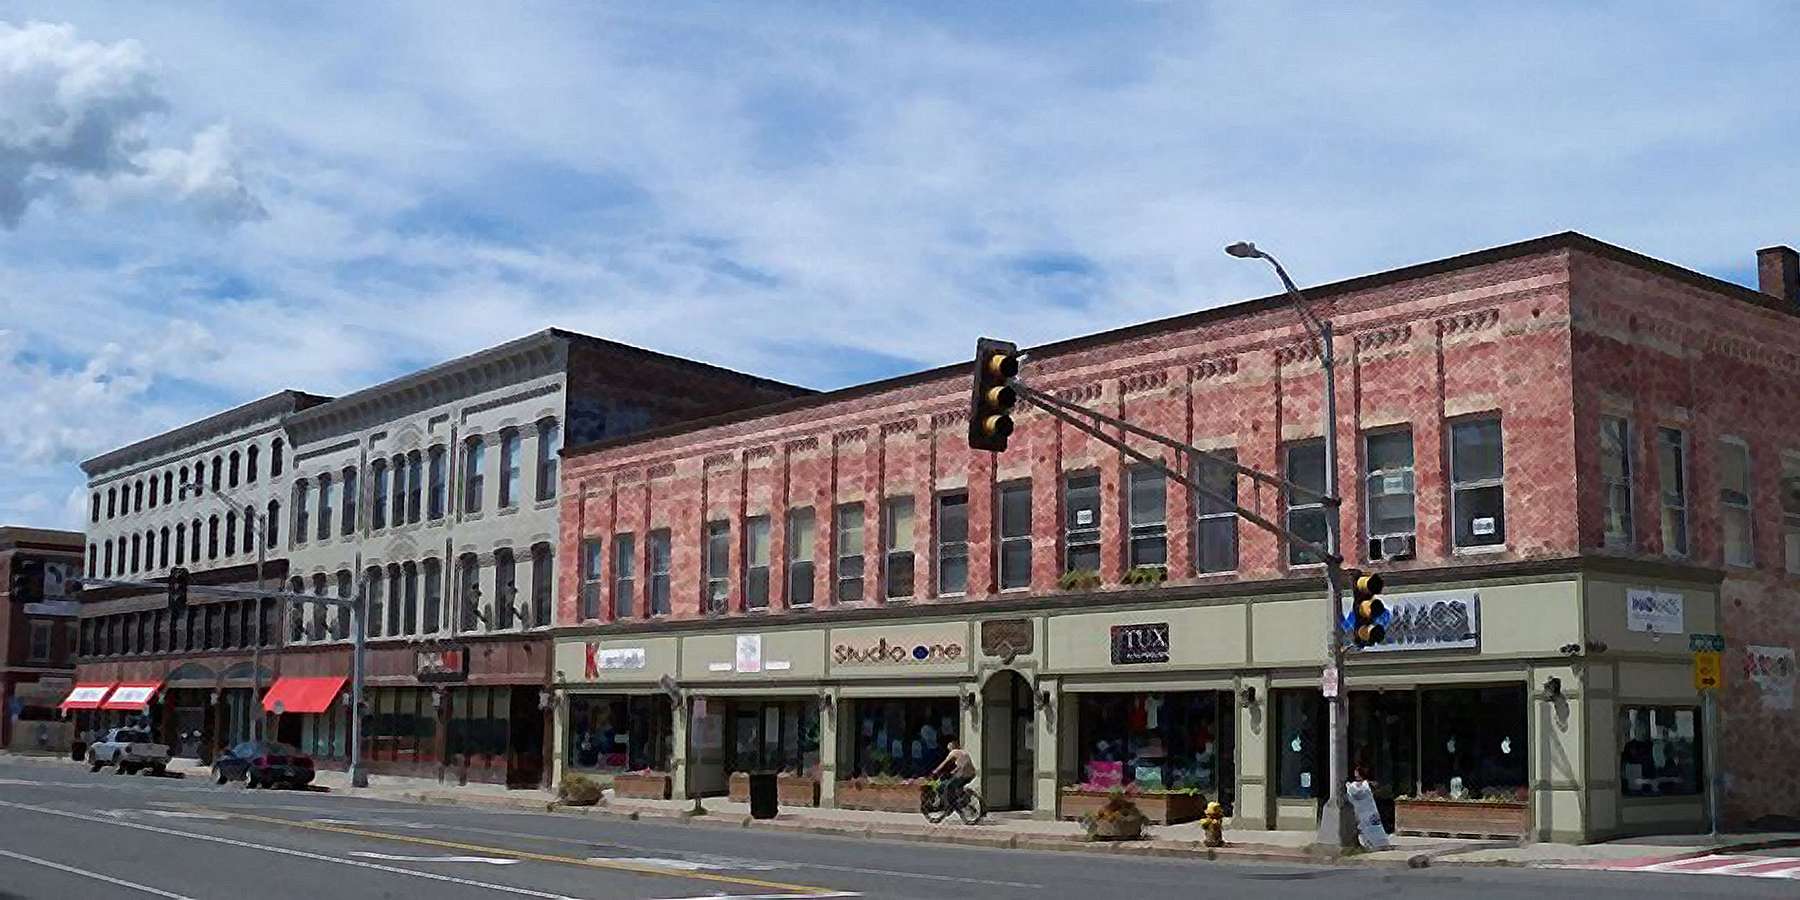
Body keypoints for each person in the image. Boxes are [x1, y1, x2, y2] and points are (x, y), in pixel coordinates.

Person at [930, 739, 976, 811]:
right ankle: (963, 800)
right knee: (957, 786)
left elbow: (944, 763)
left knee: (948, 786)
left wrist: (935, 771)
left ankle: (950, 806)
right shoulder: (964, 752)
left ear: (953, 747)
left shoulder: (954, 752)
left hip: (962, 775)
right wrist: (953, 772)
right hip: (972, 775)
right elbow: (962, 765)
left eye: (949, 748)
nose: (949, 750)